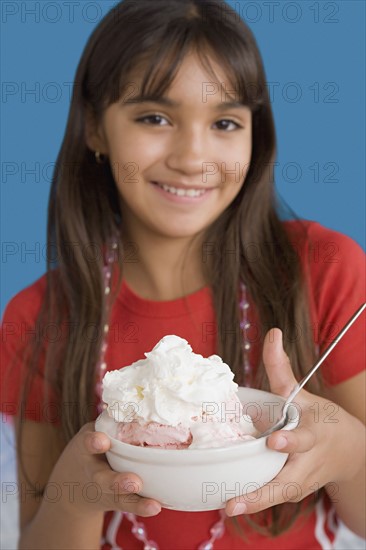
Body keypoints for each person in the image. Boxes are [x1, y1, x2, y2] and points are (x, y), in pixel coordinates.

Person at [1, 1, 365, 549]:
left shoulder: (324, 270)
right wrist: (77, 487)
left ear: (254, 136)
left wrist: (351, 452)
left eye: (224, 123)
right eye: (155, 117)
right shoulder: (39, 319)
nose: (194, 157)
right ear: (97, 128)